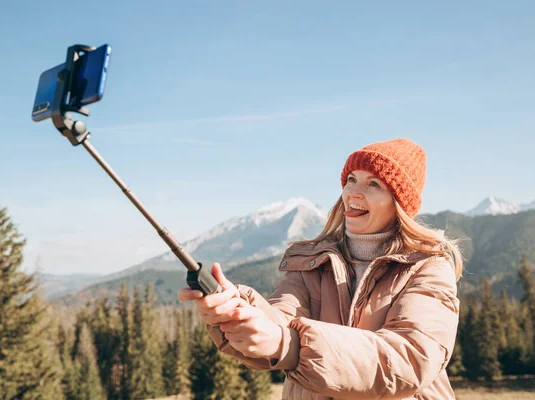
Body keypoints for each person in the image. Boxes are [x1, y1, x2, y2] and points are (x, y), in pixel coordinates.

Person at [178, 138, 463, 400]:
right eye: (351, 179)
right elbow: (282, 318)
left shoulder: (428, 267)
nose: (354, 191)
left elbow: (410, 358)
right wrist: (239, 307)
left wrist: (289, 345)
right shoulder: (311, 261)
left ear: (399, 203)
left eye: (373, 184)